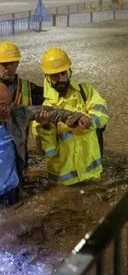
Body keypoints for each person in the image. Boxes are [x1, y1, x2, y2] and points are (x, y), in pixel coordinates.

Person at [0, 83, 84, 205]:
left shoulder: (18, 114)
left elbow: (50, 111)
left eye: (9, 103)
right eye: (1, 105)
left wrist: (76, 118)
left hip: (9, 190)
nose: (7, 109)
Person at [32, 47, 109, 186]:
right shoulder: (43, 110)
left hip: (92, 175)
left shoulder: (86, 91)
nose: (60, 78)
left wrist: (90, 121)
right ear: (47, 78)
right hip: (64, 184)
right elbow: (48, 152)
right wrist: (45, 127)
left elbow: (103, 113)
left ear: (69, 71)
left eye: (63, 73)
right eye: (54, 75)